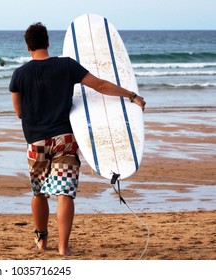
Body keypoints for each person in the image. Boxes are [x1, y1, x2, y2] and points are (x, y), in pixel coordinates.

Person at [9, 22, 145, 256]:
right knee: (64, 192)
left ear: (28, 46)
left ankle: (42, 241)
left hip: (36, 141)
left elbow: (19, 112)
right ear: (48, 42)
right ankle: (63, 247)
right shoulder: (67, 65)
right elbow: (100, 85)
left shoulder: (19, 74)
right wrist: (131, 95)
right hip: (65, 139)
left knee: (39, 192)